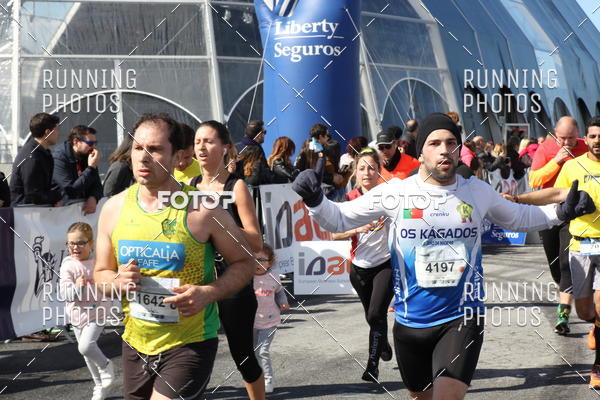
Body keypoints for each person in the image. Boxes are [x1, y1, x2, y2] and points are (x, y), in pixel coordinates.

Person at [292, 112, 594, 400]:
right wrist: (315, 200)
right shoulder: (396, 192)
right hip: (410, 322)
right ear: (420, 152)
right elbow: (339, 219)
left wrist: (560, 212)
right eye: (434, 143)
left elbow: (518, 217)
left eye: (451, 143)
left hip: (462, 317)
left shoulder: (476, 191)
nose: (444, 150)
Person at [94, 113, 255, 400]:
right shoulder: (113, 209)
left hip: (190, 342)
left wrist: (209, 292)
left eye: (155, 149)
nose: (143, 157)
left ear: (178, 156)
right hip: (136, 342)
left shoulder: (203, 209)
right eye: (138, 148)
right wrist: (117, 281)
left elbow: (245, 262)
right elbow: (100, 273)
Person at [192, 120, 266, 400]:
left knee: (243, 356)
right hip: (199, 280)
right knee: (193, 355)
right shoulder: (189, 187)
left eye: (209, 141)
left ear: (225, 148)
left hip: (233, 281)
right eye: (197, 141)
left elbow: (256, 241)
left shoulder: (237, 187)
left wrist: (218, 224)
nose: (201, 147)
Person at [331, 149, 393, 383]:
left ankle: (372, 366)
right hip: (359, 268)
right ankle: (382, 343)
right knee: (372, 316)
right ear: (355, 172)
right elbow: (334, 234)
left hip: (385, 264)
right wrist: (357, 229)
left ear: (379, 171)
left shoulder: (389, 196)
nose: (367, 172)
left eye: (372, 168)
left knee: (377, 313)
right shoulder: (349, 199)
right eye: (362, 168)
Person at [530, 116, 588, 335]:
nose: (566, 143)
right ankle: (563, 285)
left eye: (571, 138)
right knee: (555, 265)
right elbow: (534, 180)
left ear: (578, 134)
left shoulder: (585, 147)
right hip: (548, 210)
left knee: (566, 262)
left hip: (572, 212)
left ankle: (563, 314)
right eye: (562, 138)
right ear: (555, 134)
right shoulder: (546, 148)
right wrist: (556, 161)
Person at [554, 116, 600, 388]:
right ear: (586, 138)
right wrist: (519, 200)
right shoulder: (573, 166)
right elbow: (557, 196)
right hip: (581, 244)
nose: (598, 141)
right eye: (593, 136)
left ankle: (598, 366)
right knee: (584, 312)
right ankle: (595, 325)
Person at [59, 222, 115, 400]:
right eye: (71, 243)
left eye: (80, 243)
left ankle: (106, 365)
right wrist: (77, 286)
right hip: (77, 314)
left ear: (91, 243)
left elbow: (111, 279)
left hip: (98, 312)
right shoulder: (68, 265)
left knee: (85, 346)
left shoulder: (98, 262)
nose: (75, 247)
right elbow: (65, 295)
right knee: (86, 354)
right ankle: (99, 386)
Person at [253, 243, 289, 394]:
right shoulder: (247, 277)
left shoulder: (274, 277)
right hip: (251, 322)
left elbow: (280, 291)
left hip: (270, 321)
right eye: (254, 259)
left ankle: (268, 380)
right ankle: (258, 379)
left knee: (263, 351)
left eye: (261, 260)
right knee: (254, 353)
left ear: (270, 262)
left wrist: (283, 301)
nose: (257, 263)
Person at [10, 113, 63, 206]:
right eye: (56, 130)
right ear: (48, 132)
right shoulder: (32, 157)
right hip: (25, 212)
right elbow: (33, 195)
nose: (58, 133)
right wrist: (57, 197)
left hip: (35, 210)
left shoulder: (42, 153)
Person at [52, 125, 103, 215]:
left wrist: (93, 197)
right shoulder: (60, 157)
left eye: (95, 143)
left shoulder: (86, 155)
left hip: (80, 211)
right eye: (90, 143)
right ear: (76, 142)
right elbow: (71, 191)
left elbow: (97, 185)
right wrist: (91, 168)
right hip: (59, 212)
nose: (94, 147)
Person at [235, 120, 272, 185]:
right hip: (253, 188)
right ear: (258, 135)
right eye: (264, 132)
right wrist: (284, 179)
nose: (265, 135)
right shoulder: (257, 149)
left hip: (237, 186)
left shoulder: (235, 147)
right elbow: (265, 174)